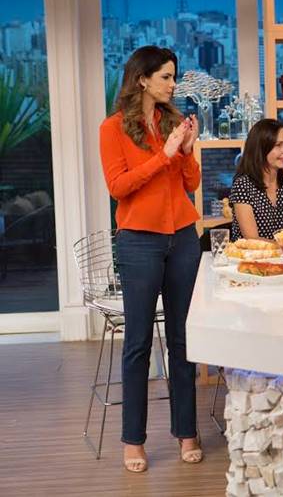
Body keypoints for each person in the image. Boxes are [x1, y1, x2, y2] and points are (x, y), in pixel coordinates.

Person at [99, 46, 202, 473]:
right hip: (139, 242)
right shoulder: (112, 128)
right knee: (138, 343)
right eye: (166, 77)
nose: (173, 84)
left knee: (183, 340)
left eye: (174, 76)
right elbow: (118, 187)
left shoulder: (175, 124)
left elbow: (191, 184)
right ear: (142, 79)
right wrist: (164, 156)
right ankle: (133, 440)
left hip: (183, 238)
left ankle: (187, 431)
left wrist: (186, 150)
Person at [229, 119, 283, 241]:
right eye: (278, 145)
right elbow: (252, 240)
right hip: (250, 253)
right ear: (261, 148)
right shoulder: (242, 186)